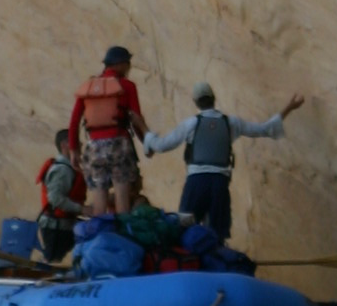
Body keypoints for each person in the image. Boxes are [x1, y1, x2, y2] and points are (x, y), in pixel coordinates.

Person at [144, 82, 305, 244]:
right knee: (217, 235)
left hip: (196, 183)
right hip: (219, 184)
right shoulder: (231, 123)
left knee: (185, 228)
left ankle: (189, 264)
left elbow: (162, 145)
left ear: (195, 102)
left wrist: (146, 135)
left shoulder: (191, 124)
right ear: (214, 99)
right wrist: (289, 107)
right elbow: (265, 129)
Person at [67, 44, 147, 214]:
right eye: (128, 63)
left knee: (99, 200)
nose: (129, 68)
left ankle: (100, 234)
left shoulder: (88, 87)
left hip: (94, 147)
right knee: (122, 197)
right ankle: (122, 236)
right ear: (120, 64)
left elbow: (74, 121)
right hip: (119, 144)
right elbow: (136, 118)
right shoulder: (127, 86)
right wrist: (147, 142)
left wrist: (74, 150)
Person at [36, 129, 85, 264]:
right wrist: (81, 209)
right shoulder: (62, 170)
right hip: (55, 227)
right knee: (51, 262)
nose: (80, 144)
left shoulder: (69, 168)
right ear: (65, 145)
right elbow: (55, 199)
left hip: (65, 225)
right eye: (76, 142)